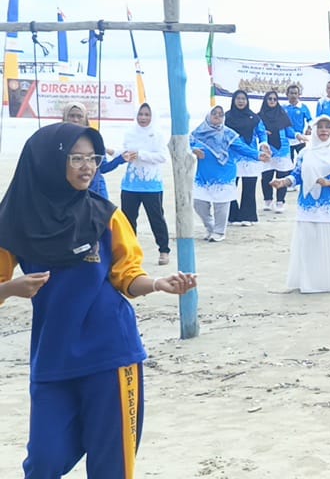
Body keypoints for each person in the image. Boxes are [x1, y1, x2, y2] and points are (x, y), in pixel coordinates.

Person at [0, 122, 197, 477]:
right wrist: (12, 288)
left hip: (112, 353)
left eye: (92, 158)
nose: (87, 167)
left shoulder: (105, 215)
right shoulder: (14, 221)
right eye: (76, 158)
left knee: (111, 466)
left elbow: (126, 275)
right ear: (46, 161)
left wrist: (157, 284)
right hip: (52, 358)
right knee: (43, 463)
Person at [269, 115, 330, 293]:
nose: (323, 130)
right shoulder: (305, 153)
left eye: (327, 127)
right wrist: (284, 182)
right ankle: (309, 282)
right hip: (308, 206)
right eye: (320, 127)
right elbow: (297, 175)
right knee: (309, 242)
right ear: (314, 130)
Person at [191, 107, 270, 242]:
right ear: (208, 115)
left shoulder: (228, 134)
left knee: (221, 204)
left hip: (225, 173)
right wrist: (194, 150)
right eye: (214, 114)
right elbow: (184, 146)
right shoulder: (197, 133)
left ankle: (219, 232)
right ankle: (210, 226)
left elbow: (242, 148)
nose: (217, 116)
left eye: (220, 114)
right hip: (204, 175)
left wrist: (257, 155)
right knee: (199, 203)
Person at [116, 103, 172, 265]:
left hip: (151, 184)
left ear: (152, 116)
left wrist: (141, 155)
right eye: (141, 114)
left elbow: (162, 157)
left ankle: (163, 250)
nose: (143, 118)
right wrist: (113, 152)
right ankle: (130, 252)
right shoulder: (130, 132)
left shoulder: (158, 134)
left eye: (147, 115)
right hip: (130, 184)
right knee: (128, 220)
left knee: (156, 218)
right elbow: (124, 151)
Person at [225, 90, 268, 227]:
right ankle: (231, 216)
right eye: (238, 98)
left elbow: (262, 133)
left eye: (243, 98)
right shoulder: (227, 117)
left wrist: (263, 145)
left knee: (249, 187)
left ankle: (247, 216)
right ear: (233, 100)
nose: (241, 101)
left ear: (247, 101)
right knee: (230, 187)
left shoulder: (254, 118)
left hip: (250, 158)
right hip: (232, 157)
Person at [258, 90, 299, 213]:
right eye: (269, 99)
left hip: (283, 150)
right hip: (268, 150)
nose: (272, 101)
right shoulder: (259, 116)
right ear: (265, 100)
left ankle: (280, 201)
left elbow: (289, 131)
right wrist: (263, 137)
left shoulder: (282, 114)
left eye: (274, 99)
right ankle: (268, 200)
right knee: (266, 177)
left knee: (282, 177)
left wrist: (298, 135)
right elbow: (257, 131)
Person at [62, 102, 111, 200]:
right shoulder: (58, 140)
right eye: (71, 116)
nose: (75, 120)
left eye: (79, 116)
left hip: (95, 191)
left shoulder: (94, 139)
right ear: (64, 117)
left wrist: (121, 159)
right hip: (67, 191)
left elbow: (103, 167)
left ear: (85, 118)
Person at [283, 84, 313, 163]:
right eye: (291, 93)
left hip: (300, 140)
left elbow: (310, 120)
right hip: (287, 140)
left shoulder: (303, 107)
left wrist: (309, 128)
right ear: (287, 94)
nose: (293, 95)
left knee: (303, 162)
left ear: (299, 95)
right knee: (288, 164)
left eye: (295, 93)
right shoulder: (283, 108)